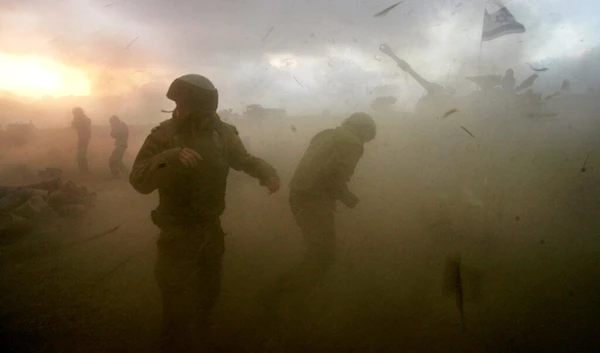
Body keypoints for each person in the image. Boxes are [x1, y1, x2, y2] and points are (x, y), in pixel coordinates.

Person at [129, 74, 280, 352]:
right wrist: (169, 158)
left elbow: (242, 159)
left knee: (209, 288)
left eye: (181, 104)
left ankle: (203, 330)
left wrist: (265, 171)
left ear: (200, 107)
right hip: (176, 231)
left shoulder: (223, 134)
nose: (176, 110)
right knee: (173, 294)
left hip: (210, 228)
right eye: (175, 104)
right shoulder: (163, 136)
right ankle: (172, 338)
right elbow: (138, 180)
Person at [262, 112, 376, 316]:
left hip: (298, 195)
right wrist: (347, 197)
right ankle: (279, 295)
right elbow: (331, 175)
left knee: (316, 250)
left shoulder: (326, 134)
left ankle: (288, 295)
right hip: (315, 199)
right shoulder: (352, 144)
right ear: (364, 131)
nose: (366, 142)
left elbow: (316, 169)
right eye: (368, 137)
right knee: (324, 256)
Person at [71, 107, 92, 173]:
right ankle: (83, 170)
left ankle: (84, 170)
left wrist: (76, 120)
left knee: (81, 155)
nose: (74, 115)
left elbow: (75, 126)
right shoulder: (81, 118)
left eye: (75, 113)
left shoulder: (83, 119)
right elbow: (73, 126)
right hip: (82, 138)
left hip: (84, 139)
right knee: (81, 155)